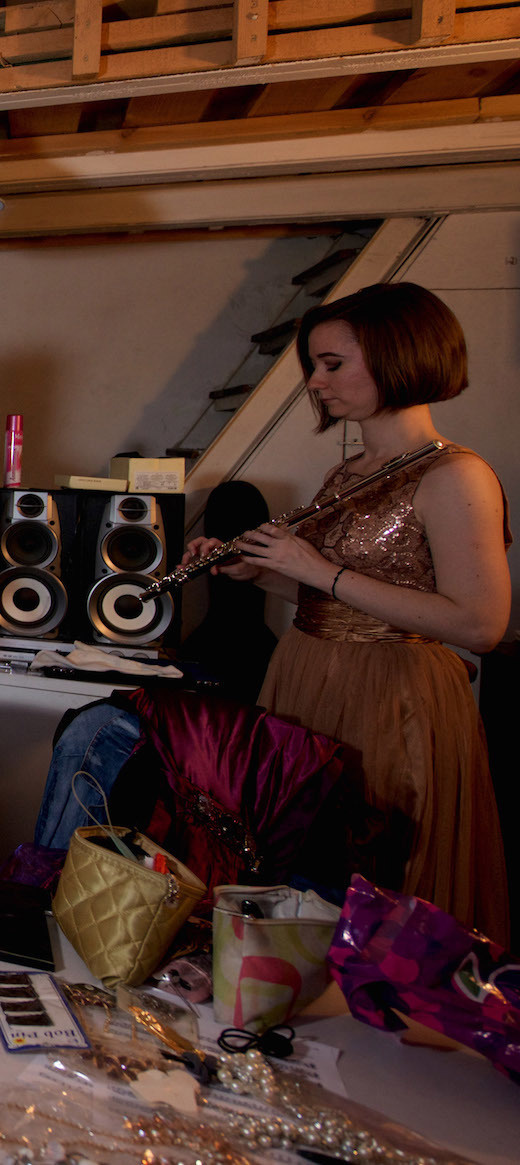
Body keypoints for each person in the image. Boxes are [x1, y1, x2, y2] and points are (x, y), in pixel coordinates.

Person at [185, 282, 510, 943]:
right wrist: (256, 572)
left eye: (333, 363)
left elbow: (481, 624)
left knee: (377, 875)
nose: (315, 380)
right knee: (297, 866)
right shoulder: (348, 472)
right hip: (310, 675)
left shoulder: (456, 475)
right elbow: (331, 602)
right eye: (314, 364)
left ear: (398, 354)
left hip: (392, 698)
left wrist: (315, 567)